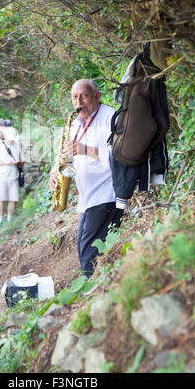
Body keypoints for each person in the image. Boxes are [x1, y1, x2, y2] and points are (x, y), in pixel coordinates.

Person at [49, 79, 124, 277]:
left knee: (87, 249)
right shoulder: (75, 124)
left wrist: (84, 149)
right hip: (87, 198)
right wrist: (55, 174)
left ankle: (91, 294)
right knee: (85, 247)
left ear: (97, 96)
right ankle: (96, 289)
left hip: (106, 194)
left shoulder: (111, 117)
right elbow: (66, 157)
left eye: (84, 95)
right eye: (75, 97)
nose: (79, 101)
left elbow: (120, 156)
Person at [0, 126, 25, 225]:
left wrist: (18, 162)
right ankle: (0, 222)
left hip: (14, 176)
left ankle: (10, 221)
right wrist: (5, 162)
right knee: (0, 199)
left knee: (13, 199)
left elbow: (23, 160)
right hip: (1, 176)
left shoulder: (18, 146)